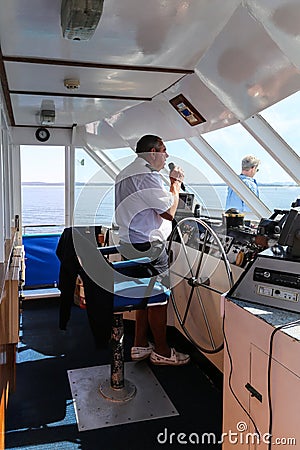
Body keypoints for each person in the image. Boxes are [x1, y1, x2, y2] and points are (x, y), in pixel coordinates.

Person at [114, 134, 190, 366]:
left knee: (142, 295)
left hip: (129, 243)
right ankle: (163, 351)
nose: (166, 156)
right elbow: (168, 211)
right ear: (154, 151)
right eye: (164, 150)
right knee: (158, 299)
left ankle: (138, 345)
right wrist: (174, 182)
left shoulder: (125, 172)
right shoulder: (147, 176)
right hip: (148, 247)